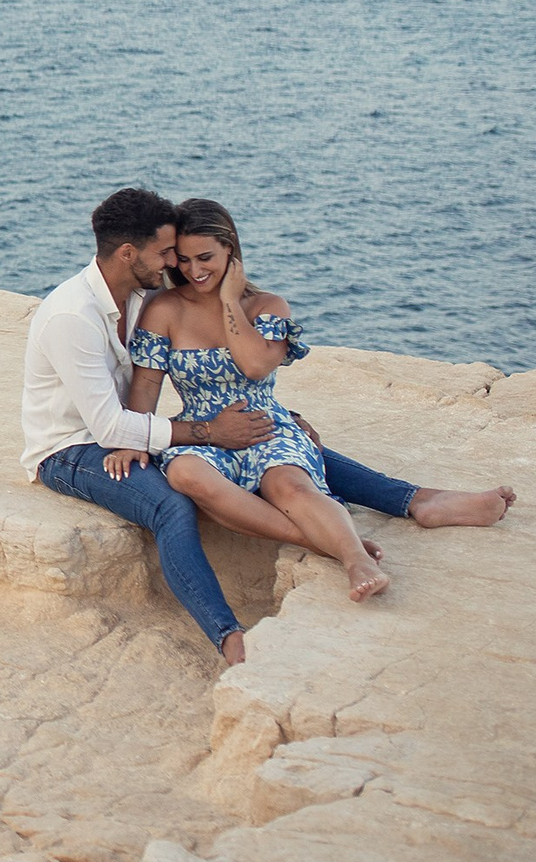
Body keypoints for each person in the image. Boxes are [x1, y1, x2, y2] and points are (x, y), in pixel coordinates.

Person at [22, 188, 512, 664]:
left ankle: (417, 502)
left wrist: (235, 318)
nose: (179, 266)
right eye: (170, 254)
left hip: (215, 423)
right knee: (177, 495)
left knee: (286, 467)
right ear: (130, 254)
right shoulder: (83, 316)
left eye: (196, 256)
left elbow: (254, 371)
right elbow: (120, 419)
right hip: (76, 445)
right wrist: (194, 433)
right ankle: (303, 565)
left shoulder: (138, 293)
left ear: (232, 253)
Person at [130, 198, 514, 607]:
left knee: (290, 486)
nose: (193, 270)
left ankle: (357, 562)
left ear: (231, 250)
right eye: (184, 261)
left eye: (205, 257)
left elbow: (256, 365)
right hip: (201, 432)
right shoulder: (165, 309)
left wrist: (229, 301)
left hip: (265, 426)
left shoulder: (266, 306)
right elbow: (147, 385)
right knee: (187, 476)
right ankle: (332, 538)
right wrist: (132, 436)